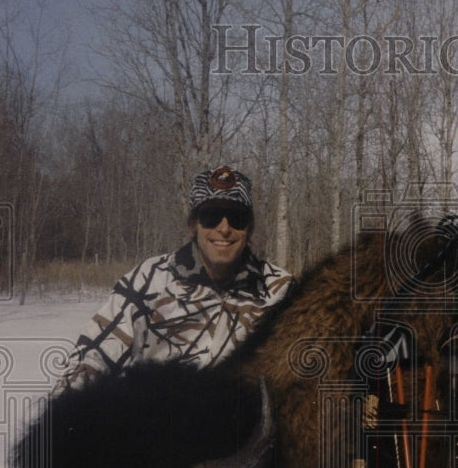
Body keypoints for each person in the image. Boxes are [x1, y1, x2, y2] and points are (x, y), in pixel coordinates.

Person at [54, 165, 293, 393]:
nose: (224, 228)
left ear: (249, 228)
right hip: (155, 428)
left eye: (236, 217)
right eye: (211, 216)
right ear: (193, 225)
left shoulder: (281, 292)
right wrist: (63, 417)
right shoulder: (150, 279)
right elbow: (92, 356)